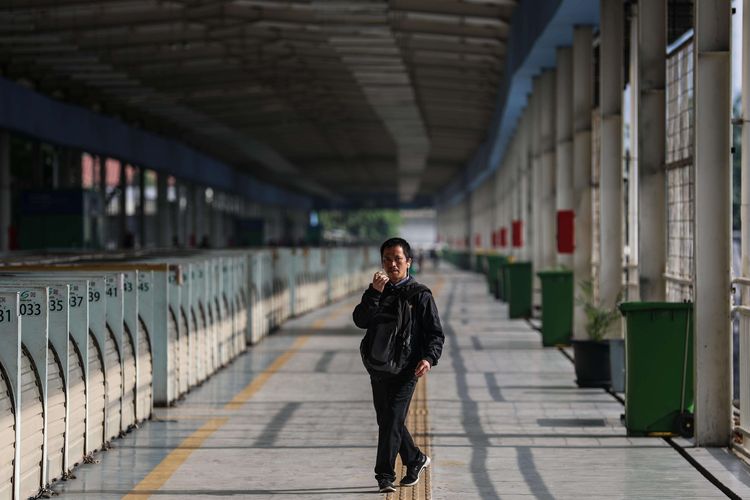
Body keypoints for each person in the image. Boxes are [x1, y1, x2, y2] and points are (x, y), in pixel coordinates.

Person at [353, 237, 445, 493]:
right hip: (379, 368)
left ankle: (384, 475)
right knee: (388, 420)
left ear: (409, 262)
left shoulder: (420, 295)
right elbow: (360, 320)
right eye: (386, 259)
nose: (392, 264)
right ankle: (415, 459)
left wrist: (428, 358)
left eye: (397, 259)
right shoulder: (378, 291)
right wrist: (373, 293)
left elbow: (435, 334)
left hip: (407, 370)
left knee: (392, 419)